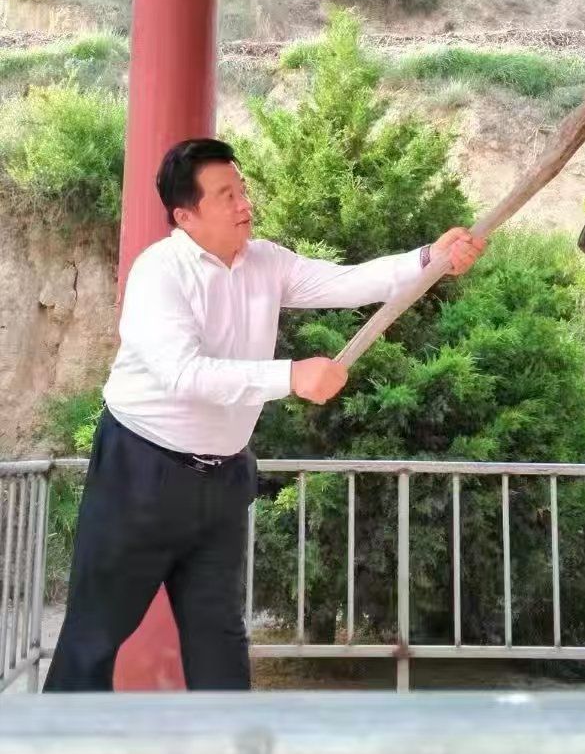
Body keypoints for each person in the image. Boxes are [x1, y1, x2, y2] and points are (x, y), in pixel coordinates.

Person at [44, 137, 485, 691]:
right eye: (225, 195)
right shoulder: (160, 272)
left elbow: (346, 282)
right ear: (185, 215)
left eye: (242, 189)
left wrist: (428, 259)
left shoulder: (266, 262)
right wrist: (290, 376)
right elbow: (184, 373)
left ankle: (231, 735)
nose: (243, 203)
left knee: (221, 637)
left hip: (223, 479)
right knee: (94, 635)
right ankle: (58, 733)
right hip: (140, 474)